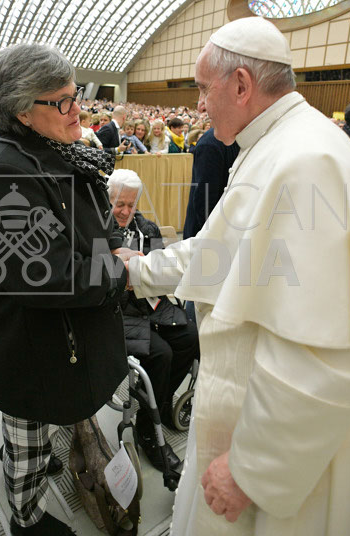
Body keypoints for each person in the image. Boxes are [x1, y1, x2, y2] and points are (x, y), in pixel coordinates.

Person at [127, 17, 350, 535]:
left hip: (278, 456)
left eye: (204, 89)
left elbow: (318, 353)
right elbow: (218, 251)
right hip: (244, 412)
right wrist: (138, 271)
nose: (199, 104)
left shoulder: (307, 160)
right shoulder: (274, 144)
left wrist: (252, 468)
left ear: (242, 85)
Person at [0, 43, 140, 536]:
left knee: (38, 432)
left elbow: (94, 226)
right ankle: (27, 518)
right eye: (61, 101)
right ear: (23, 111)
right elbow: (47, 276)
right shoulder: (2, 174)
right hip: (27, 347)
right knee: (27, 440)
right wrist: (117, 271)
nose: (76, 108)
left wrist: (112, 245)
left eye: (74, 95)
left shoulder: (59, 150)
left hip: (61, 337)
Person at [107, 169, 199, 472]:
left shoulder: (147, 227)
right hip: (116, 311)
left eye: (131, 204)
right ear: (107, 201)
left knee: (191, 338)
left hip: (151, 304)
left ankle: (160, 402)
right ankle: (148, 430)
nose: (125, 211)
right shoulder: (96, 231)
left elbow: (160, 275)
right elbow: (96, 281)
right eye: (119, 204)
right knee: (161, 354)